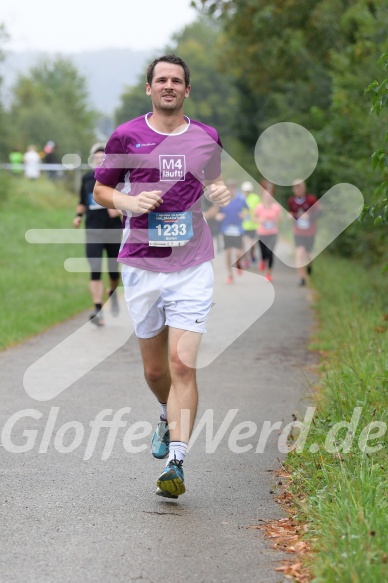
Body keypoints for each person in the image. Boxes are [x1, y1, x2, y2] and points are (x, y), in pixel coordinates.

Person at [92, 54, 230, 498]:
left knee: (181, 364)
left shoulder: (207, 137)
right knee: (156, 373)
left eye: (177, 80)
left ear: (187, 90)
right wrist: (128, 203)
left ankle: (177, 462)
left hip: (191, 264)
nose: (169, 85)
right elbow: (101, 188)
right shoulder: (126, 135)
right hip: (141, 265)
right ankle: (164, 414)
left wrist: (220, 191)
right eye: (161, 80)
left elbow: (213, 181)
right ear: (149, 88)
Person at [73, 143, 122, 326]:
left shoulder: (116, 178)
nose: (99, 160)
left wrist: (118, 208)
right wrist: (78, 216)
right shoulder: (87, 178)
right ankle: (97, 309)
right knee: (94, 268)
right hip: (93, 229)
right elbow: (82, 201)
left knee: (113, 270)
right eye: (96, 158)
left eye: (103, 158)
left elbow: (128, 199)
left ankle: (113, 291)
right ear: (92, 160)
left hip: (112, 229)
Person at [288, 180, 321, 286]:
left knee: (308, 255)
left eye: (300, 187)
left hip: (310, 233)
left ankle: (309, 267)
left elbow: (320, 212)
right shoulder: (291, 201)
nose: (298, 189)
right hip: (298, 233)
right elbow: (291, 212)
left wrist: (309, 217)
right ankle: (302, 278)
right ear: (293, 189)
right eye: (296, 187)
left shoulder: (311, 199)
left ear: (304, 188)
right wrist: (290, 215)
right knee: (299, 253)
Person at [216, 179, 248, 284]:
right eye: (229, 188)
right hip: (226, 229)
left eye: (233, 188)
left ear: (235, 188)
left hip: (238, 229)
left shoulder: (241, 199)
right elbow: (218, 213)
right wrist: (219, 216)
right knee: (228, 253)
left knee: (238, 252)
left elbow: (247, 210)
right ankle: (230, 275)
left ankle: (239, 264)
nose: (231, 190)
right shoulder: (223, 200)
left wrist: (244, 215)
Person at [254, 181, 282, 281]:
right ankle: (262, 260)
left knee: (270, 252)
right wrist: (260, 220)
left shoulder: (276, 207)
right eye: (266, 195)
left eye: (269, 195)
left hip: (273, 233)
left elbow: (280, 220)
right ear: (263, 196)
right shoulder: (259, 207)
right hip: (262, 233)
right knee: (263, 253)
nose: (268, 197)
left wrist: (276, 218)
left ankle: (269, 273)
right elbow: (254, 219)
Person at [241, 180, 261, 266]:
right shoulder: (240, 198)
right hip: (243, 225)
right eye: (245, 190)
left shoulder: (255, 198)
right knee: (244, 244)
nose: (246, 192)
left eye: (248, 190)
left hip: (253, 225)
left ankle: (252, 254)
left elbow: (259, 209)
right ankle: (246, 260)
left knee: (253, 244)